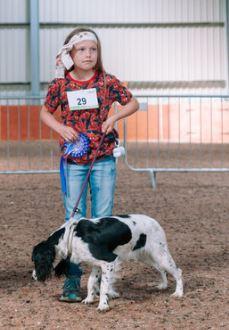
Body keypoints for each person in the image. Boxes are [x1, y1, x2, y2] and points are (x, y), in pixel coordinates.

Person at [40, 27, 139, 302]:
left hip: (103, 159)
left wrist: (114, 118)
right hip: (73, 162)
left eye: (92, 49)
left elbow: (134, 103)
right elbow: (44, 112)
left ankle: (103, 283)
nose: (88, 54)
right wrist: (60, 128)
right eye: (82, 49)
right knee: (73, 220)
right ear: (70, 53)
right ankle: (72, 282)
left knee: (103, 219)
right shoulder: (60, 85)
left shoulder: (107, 81)